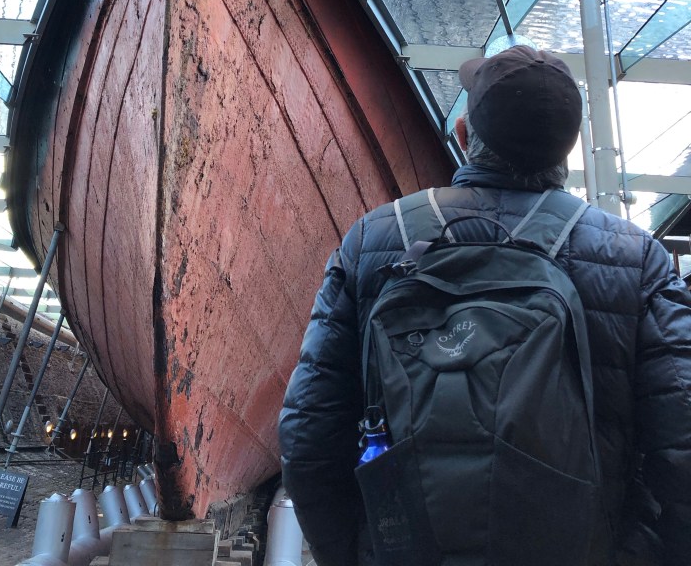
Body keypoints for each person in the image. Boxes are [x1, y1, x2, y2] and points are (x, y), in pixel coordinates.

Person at [278, 45, 691, 566]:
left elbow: (307, 433)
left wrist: (353, 553)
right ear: (567, 150)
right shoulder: (636, 259)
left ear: (463, 135)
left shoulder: (373, 240)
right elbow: (681, 442)